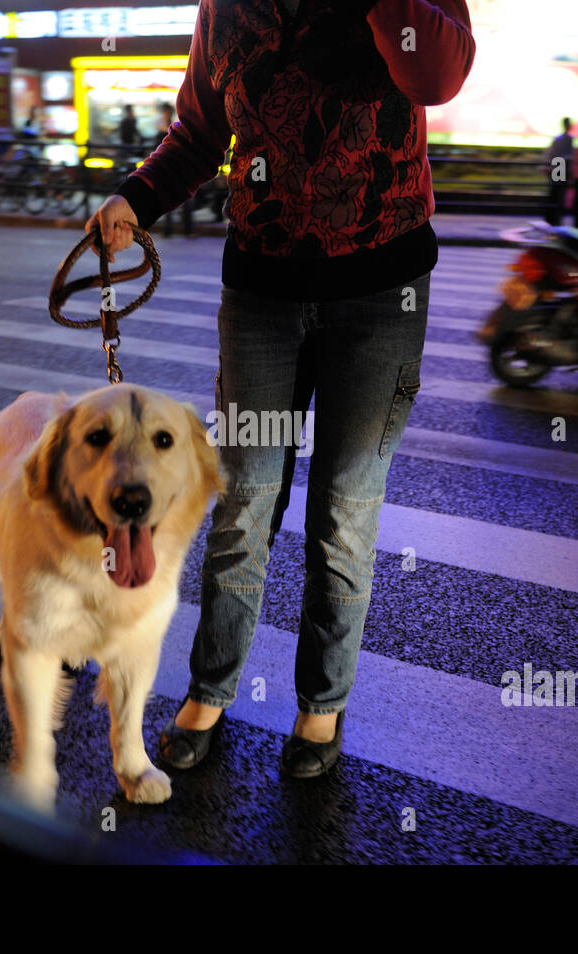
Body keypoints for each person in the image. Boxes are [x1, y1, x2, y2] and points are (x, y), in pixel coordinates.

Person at [85, 0, 475, 778]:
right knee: (244, 500)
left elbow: (437, 74)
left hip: (381, 287)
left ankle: (320, 708)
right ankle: (211, 690)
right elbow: (199, 131)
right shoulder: (225, 8)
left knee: (344, 510)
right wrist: (137, 196)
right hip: (261, 292)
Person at [155, 103, 194, 237]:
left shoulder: (176, 127)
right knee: (172, 199)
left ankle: (186, 229)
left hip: (178, 168)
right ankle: (172, 230)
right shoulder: (165, 129)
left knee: (184, 199)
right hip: (171, 168)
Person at [543, 117, 573, 225]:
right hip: (561, 165)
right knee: (558, 194)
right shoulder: (567, 139)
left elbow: (551, 154)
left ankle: (552, 219)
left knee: (557, 193)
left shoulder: (562, 138)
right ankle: (554, 220)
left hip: (558, 165)